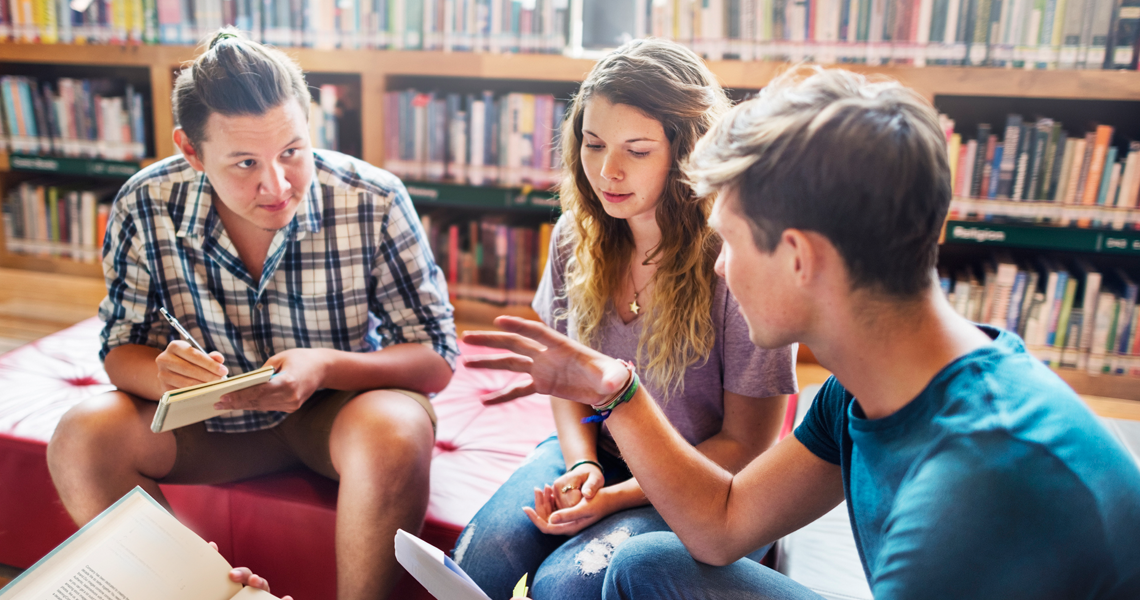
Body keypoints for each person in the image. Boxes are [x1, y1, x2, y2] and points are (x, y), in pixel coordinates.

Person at [464, 66, 1140, 599]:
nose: (719, 261)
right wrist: (615, 388)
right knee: (643, 565)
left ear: (798, 258)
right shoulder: (865, 391)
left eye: (727, 239)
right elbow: (724, 522)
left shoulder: (968, 496)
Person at [46, 29, 458, 600]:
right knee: (81, 437)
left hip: (337, 416)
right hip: (207, 427)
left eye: (292, 151)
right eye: (244, 163)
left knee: (397, 430)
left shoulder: (374, 199)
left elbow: (436, 358)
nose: (277, 184)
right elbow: (121, 347)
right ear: (191, 151)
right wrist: (161, 375)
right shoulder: (144, 204)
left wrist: (325, 368)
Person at [452, 38, 798, 600]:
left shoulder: (736, 259)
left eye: (637, 150)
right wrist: (583, 465)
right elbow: (564, 381)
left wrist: (613, 497)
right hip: (598, 448)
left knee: (564, 587)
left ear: (687, 153)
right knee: (476, 560)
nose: (607, 171)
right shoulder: (574, 235)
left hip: (699, 479)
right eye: (592, 144)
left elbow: (748, 447)